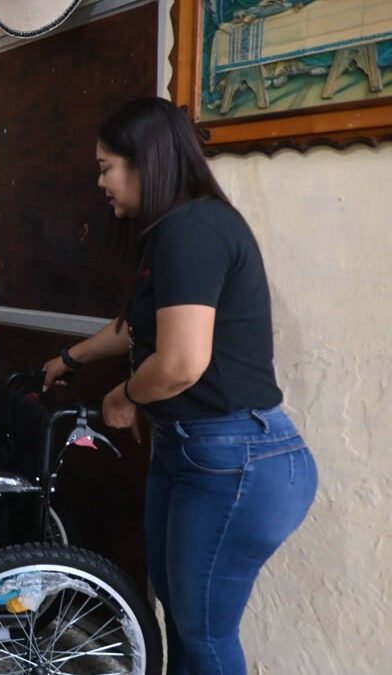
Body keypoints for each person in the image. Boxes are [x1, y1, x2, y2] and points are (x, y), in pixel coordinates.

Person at [41, 97, 317, 675]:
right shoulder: (172, 231)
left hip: (235, 457)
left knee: (205, 635)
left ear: (144, 161)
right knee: (182, 617)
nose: (101, 183)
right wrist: (72, 356)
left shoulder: (194, 228)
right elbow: (140, 327)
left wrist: (125, 395)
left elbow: (183, 362)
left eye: (105, 166)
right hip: (195, 449)